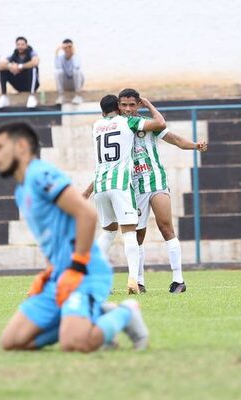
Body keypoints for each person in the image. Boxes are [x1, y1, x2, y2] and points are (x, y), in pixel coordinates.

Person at [0, 121, 149, 352]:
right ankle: (92, 318)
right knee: (12, 342)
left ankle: (125, 313)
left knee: (75, 343)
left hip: (85, 274)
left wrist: (77, 266)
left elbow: (86, 214)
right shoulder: (21, 190)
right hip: (60, 277)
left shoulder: (41, 174)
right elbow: (52, 239)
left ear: (22, 146)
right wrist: (49, 273)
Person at [118, 88, 207, 294]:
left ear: (138, 105)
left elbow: (175, 139)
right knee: (138, 236)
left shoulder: (148, 124)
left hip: (156, 181)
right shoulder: (118, 126)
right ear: (119, 106)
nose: (128, 109)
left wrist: (195, 145)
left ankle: (178, 280)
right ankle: (139, 282)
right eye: (124, 105)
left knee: (166, 227)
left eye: (132, 105)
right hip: (134, 186)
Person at [83, 95, 166, 294]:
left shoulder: (96, 126)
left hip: (101, 187)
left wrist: (86, 192)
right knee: (130, 232)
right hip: (120, 185)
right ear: (118, 109)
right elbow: (160, 124)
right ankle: (133, 280)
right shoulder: (128, 121)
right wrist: (146, 104)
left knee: (109, 232)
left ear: (103, 112)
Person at [0, 37, 40, 109]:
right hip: (18, 84)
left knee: (33, 68)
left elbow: (36, 62)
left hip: (31, 84)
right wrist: (10, 66)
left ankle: (32, 97)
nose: (20, 47)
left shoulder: (31, 53)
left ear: (26, 45)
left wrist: (20, 66)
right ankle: (4, 97)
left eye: (22, 44)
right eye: (18, 45)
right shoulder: (13, 55)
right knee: (3, 70)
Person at [54, 39, 84, 105]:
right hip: (66, 84)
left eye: (69, 47)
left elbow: (77, 66)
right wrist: (57, 52)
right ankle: (61, 96)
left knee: (77, 71)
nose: (67, 49)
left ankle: (78, 96)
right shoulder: (61, 58)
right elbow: (57, 67)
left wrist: (73, 53)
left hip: (75, 84)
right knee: (57, 72)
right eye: (65, 47)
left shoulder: (76, 57)